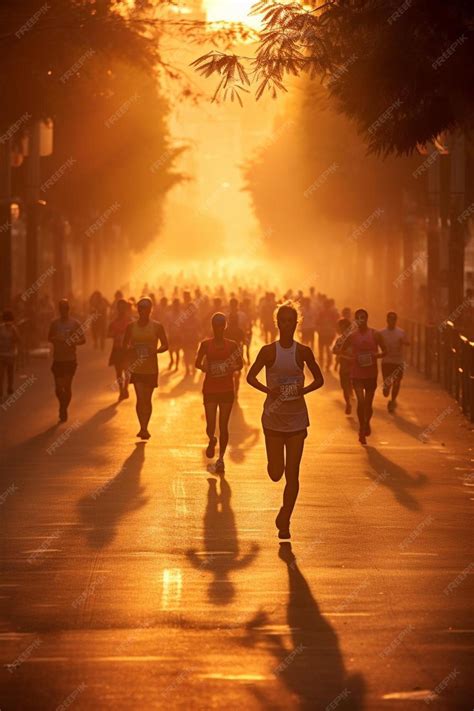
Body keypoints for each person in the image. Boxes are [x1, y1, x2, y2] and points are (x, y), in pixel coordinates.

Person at [247, 301, 324, 540]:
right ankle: (274, 472)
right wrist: (269, 391)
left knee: (293, 473)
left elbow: (319, 380)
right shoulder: (269, 351)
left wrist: (303, 391)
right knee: (275, 473)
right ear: (277, 323)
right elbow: (250, 377)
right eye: (283, 321)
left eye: (291, 321)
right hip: (273, 419)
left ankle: (285, 518)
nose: (287, 325)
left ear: (296, 323)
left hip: (297, 420)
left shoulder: (303, 352)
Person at [195, 312, 243, 474]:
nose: (218, 329)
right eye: (216, 326)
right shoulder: (205, 345)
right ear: (212, 327)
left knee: (223, 425)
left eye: (221, 326)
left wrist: (231, 368)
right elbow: (197, 363)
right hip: (210, 389)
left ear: (225, 327)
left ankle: (221, 458)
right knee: (210, 425)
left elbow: (240, 364)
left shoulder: (232, 345)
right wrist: (205, 367)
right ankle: (211, 439)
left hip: (226, 389)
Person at [123, 297, 168, 440]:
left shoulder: (157, 326)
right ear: (138, 310)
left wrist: (155, 351)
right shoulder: (131, 327)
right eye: (141, 308)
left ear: (150, 310)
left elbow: (165, 345)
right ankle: (142, 428)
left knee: (147, 400)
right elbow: (124, 346)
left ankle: (145, 426)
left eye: (147, 308)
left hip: (151, 369)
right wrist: (131, 350)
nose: (144, 311)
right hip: (137, 369)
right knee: (140, 398)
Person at [344, 309, 386, 444]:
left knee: (368, 403)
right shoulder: (352, 336)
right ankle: (361, 429)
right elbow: (341, 349)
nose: (361, 320)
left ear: (367, 319)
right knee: (360, 401)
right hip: (356, 374)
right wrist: (350, 356)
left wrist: (375, 356)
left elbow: (385, 351)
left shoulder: (375, 334)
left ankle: (367, 422)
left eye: (363, 317)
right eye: (358, 318)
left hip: (371, 374)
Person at [48, 299, 86, 422]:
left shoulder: (75, 324)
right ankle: (62, 405)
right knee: (59, 387)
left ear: (68, 309)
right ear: (59, 310)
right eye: (61, 309)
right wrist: (56, 339)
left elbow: (83, 339)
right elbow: (49, 337)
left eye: (65, 308)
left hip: (70, 359)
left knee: (67, 386)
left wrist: (74, 341)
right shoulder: (54, 324)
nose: (63, 311)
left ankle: (64, 408)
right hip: (58, 359)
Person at [379, 312, 410, 412]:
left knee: (397, 382)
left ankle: (393, 401)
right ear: (387, 320)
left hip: (398, 361)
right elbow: (375, 343)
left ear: (396, 321)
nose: (391, 321)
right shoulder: (382, 333)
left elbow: (408, 343)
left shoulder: (401, 332)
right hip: (386, 361)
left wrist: (403, 342)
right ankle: (386, 388)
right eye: (390, 319)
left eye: (393, 319)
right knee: (387, 384)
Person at [107, 298, 133, 401]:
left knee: (127, 370)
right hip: (117, 349)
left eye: (123, 308)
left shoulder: (130, 322)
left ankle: (125, 388)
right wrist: (115, 335)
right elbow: (108, 334)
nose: (121, 310)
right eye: (120, 308)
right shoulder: (113, 322)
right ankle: (121, 390)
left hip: (127, 350)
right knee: (118, 372)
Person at [332, 317, 353, 414]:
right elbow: (334, 350)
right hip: (344, 366)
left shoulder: (355, 338)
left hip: (353, 366)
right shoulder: (340, 340)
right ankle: (348, 403)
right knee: (345, 386)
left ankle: (350, 402)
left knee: (349, 385)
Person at [0, 310, 21, 399]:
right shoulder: (1, 328)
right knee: (1, 374)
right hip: (2, 354)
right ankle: (0, 391)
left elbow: (18, 339)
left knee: (10, 372)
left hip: (11, 354)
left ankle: (9, 387)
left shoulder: (13, 328)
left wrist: (14, 338)